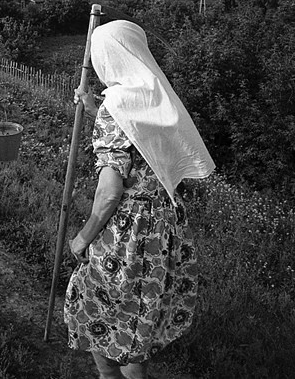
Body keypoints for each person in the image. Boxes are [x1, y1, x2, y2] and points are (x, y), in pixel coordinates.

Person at [64, 20, 215, 379]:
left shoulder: (114, 106)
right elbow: (137, 149)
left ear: (108, 58)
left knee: (98, 302)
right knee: (140, 314)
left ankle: (107, 376)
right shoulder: (156, 96)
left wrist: (83, 237)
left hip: (127, 230)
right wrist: (92, 106)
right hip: (163, 224)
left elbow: (111, 191)